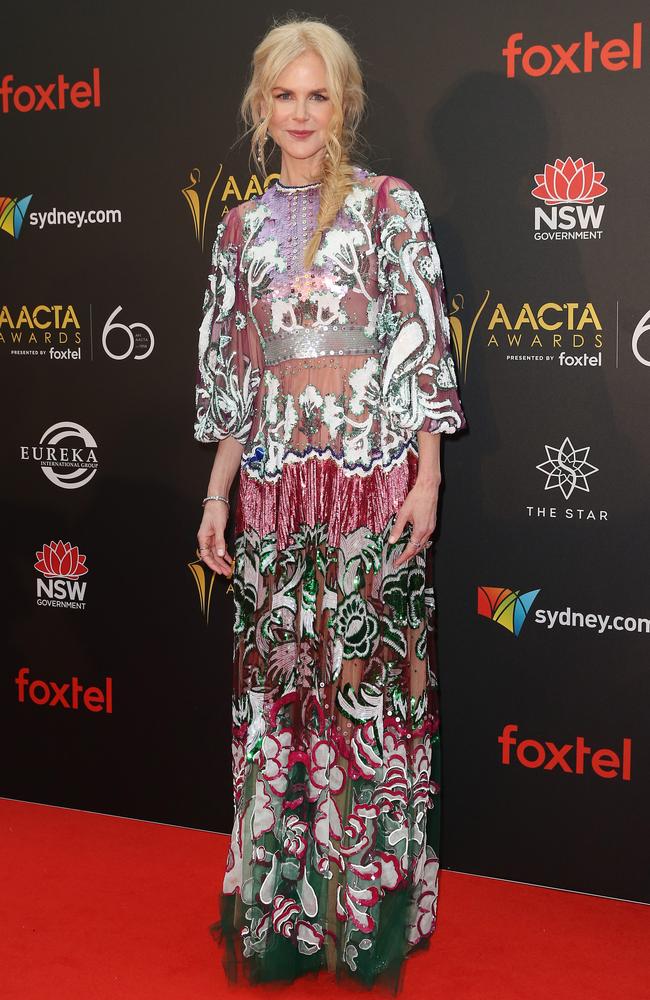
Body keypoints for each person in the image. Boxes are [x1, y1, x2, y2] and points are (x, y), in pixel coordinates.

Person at [194, 14, 467, 992]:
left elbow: (421, 354)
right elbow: (235, 377)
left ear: (343, 103)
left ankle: (365, 917)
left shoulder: (392, 210)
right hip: (272, 501)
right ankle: (282, 918)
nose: (301, 113)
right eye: (284, 95)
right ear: (261, 107)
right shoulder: (236, 230)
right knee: (278, 709)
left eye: (319, 94)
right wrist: (216, 495)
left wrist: (427, 477)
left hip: (369, 491)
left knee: (362, 705)